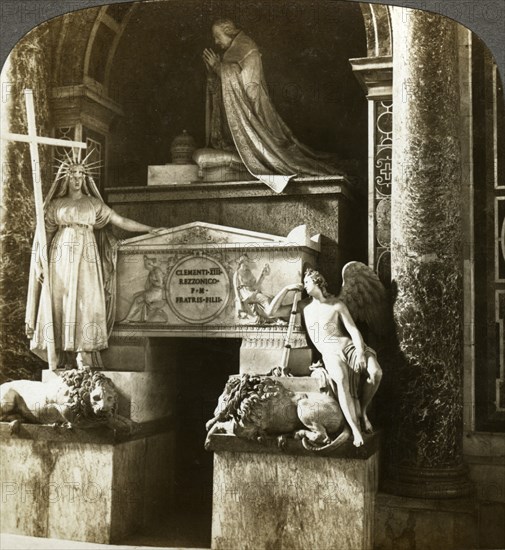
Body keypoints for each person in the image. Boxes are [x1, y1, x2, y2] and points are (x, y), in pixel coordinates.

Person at [25, 156, 159, 369]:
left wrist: (149, 229)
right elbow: (44, 236)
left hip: (86, 255)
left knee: (85, 299)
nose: (77, 179)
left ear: (86, 179)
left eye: (81, 175)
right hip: (61, 254)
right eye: (73, 175)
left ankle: (83, 352)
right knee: (61, 299)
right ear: (65, 178)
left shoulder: (93, 204)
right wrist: (40, 262)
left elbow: (120, 221)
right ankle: (58, 352)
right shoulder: (55, 205)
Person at [202, 19, 341, 192]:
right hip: (239, 127)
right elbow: (225, 88)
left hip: (257, 118)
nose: (216, 42)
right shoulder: (230, 54)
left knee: (284, 156)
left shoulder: (247, 48)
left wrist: (218, 68)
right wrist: (213, 73)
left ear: (228, 31)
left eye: (217, 36)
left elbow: (249, 92)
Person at [301, 268, 383, 447]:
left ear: (317, 282)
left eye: (306, 281)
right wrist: (286, 290)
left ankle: (362, 409)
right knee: (341, 378)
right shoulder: (304, 309)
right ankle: (355, 429)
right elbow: (270, 312)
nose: (303, 284)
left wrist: (361, 352)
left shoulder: (337, 304)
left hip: (351, 347)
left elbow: (353, 330)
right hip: (330, 354)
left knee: (376, 373)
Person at [233, 254, 300, 323]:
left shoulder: (249, 272)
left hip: (254, 293)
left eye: (247, 260)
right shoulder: (237, 274)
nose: (247, 262)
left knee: (271, 297)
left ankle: (279, 317)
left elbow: (255, 286)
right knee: (265, 299)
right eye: (245, 260)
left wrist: (263, 275)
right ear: (241, 261)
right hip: (246, 295)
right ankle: (275, 316)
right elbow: (236, 290)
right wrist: (239, 303)